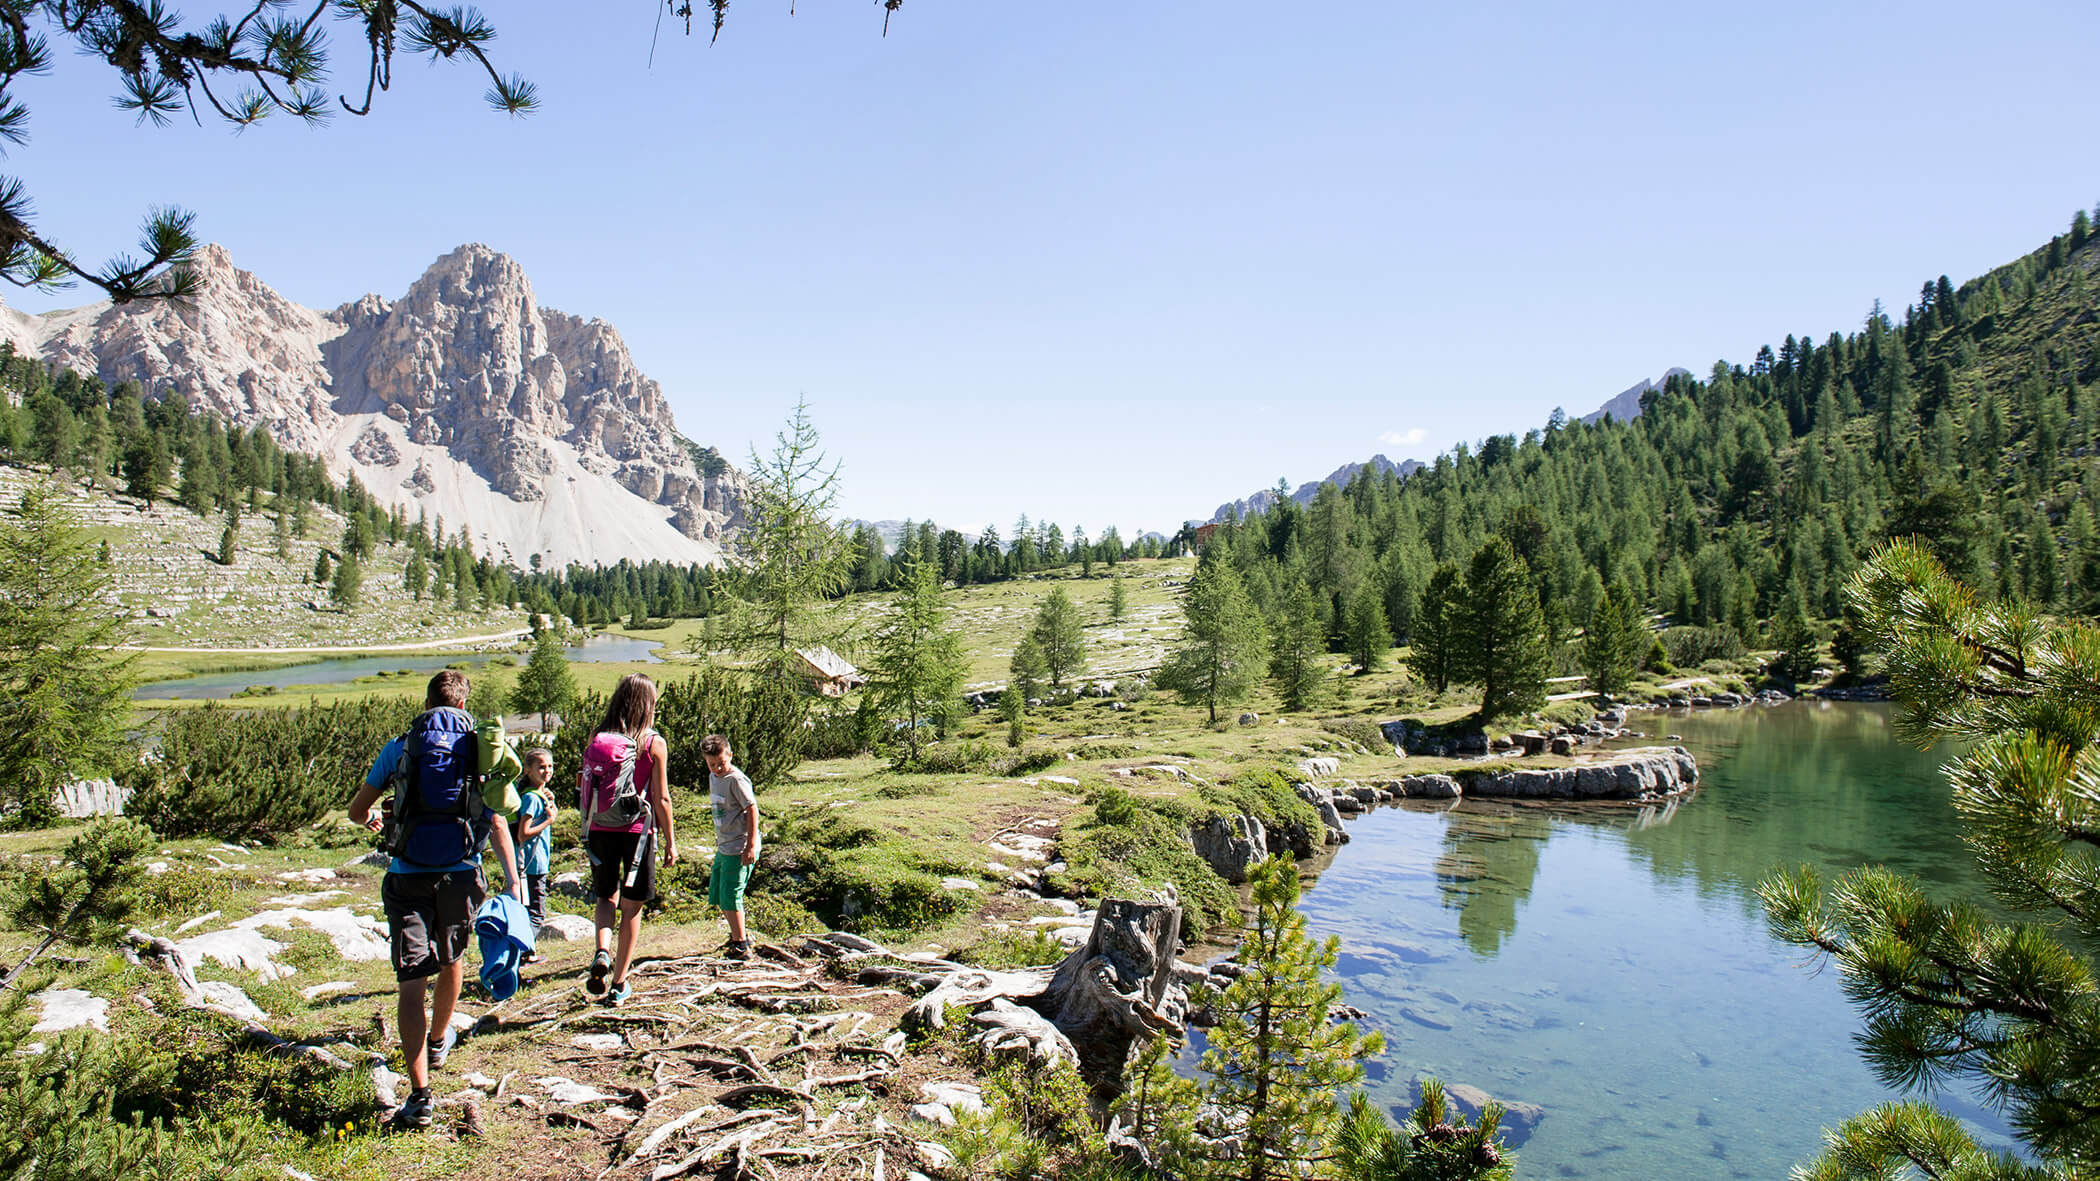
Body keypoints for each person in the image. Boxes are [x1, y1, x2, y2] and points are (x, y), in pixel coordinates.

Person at [348, 670, 524, 1130]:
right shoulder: (480, 753)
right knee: (452, 961)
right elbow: (501, 821)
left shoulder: (401, 747)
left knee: (410, 983)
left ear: (426, 704)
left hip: (407, 876)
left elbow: (356, 810)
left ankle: (420, 1094)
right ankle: (440, 1037)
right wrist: (513, 880)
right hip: (461, 874)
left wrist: (373, 821)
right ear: (464, 707)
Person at [579, 673, 676, 1006]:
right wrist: (671, 841)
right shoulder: (653, 743)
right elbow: (661, 798)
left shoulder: (599, 737)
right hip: (637, 832)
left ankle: (602, 951)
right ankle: (619, 983)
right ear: (648, 704)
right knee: (631, 910)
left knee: (606, 897)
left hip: (600, 829)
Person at [702, 733, 759, 961]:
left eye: (721, 763)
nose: (717, 768)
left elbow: (751, 809)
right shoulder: (714, 777)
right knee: (718, 892)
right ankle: (738, 934)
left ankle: (741, 945)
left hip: (739, 846)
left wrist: (751, 845)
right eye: (712, 764)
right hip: (724, 846)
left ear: (731, 756)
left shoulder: (736, 779)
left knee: (731, 895)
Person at [511, 747, 556, 962]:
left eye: (549, 766)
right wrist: (549, 820)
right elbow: (523, 833)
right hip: (531, 864)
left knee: (530, 911)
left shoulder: (537, 795)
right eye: (541, 767)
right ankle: (520, 952)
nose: (546, 771)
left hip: (532, 863)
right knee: (536, 913)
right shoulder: (531, 799)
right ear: (528, 770)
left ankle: (527, 953)